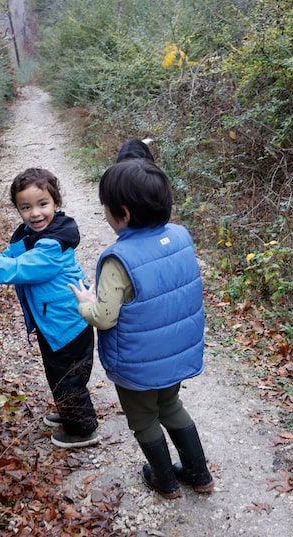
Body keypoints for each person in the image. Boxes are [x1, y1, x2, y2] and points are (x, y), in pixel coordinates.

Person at [68, 141, 214, 498]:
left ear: (124, 213)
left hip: (137, 364)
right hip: (176, 353)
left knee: (145, 417)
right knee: (171, 406)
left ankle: (164, 480)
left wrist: (84, 303)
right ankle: (199, 473)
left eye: (105, 207)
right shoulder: (180, 236)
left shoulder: (119, 258)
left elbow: (104, 317)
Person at [0, 168, 100, 449]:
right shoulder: (29, 236)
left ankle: (83, 430)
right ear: (18, 209)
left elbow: (18, 268)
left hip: (67, 325)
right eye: (26, 207)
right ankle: (69, 411)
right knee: (58, 374)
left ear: (55, 203)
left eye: (42, 204)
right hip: (51, 322)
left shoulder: (52, 246)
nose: (35, 213)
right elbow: (8, 258)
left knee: (69, 378)